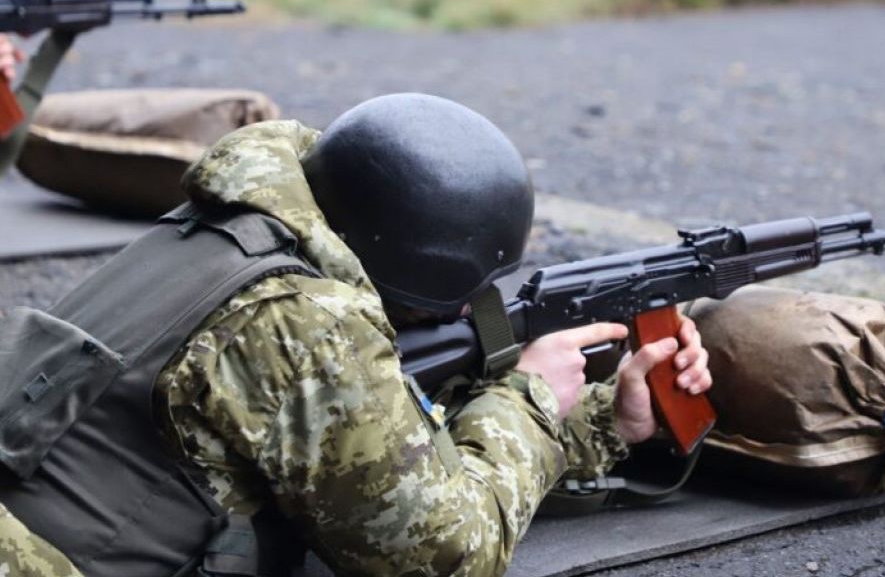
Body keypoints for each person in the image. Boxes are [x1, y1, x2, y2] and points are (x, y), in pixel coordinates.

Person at [0, 93, 711, 577]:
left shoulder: (230, 227)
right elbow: (442, 557)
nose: (471, 311)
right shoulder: (304, 324)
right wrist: (531, 403)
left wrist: (606, 420)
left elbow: (371, 442)